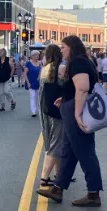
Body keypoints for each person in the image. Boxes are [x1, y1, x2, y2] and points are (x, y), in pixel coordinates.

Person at [37, 35, 103, 207]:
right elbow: (76, 89)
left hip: (75, 112)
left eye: (63, 47)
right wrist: (65, 98)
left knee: (85, 151)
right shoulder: (80, 62)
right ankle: (58, 188)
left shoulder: (79, 63)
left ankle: (93, 193)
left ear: (71, 48)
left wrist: (77, 113)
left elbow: (82, 88)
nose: (61, 50)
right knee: (67, 151)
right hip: (70, 107)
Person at [38, 44, 65, 186]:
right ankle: (44, 177)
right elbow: (64, 87)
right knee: (56, 142)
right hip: (57, 108)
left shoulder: (44, 69)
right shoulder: (60, 67)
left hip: (45, 108)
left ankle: (58, 174)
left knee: (52, 140)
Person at [24, 50, 43, 117]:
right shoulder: (28, 63)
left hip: (39, 82)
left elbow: (42, 71)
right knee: (33, 96)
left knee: (39, 97)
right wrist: (28, 82)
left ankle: (39, 110)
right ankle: (33, 111)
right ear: (32, 56)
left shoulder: (40, 63)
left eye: (38, 55)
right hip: (31, 82)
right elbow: (25, 73)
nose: (38, 56)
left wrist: (40, 76)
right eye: (36, 55)